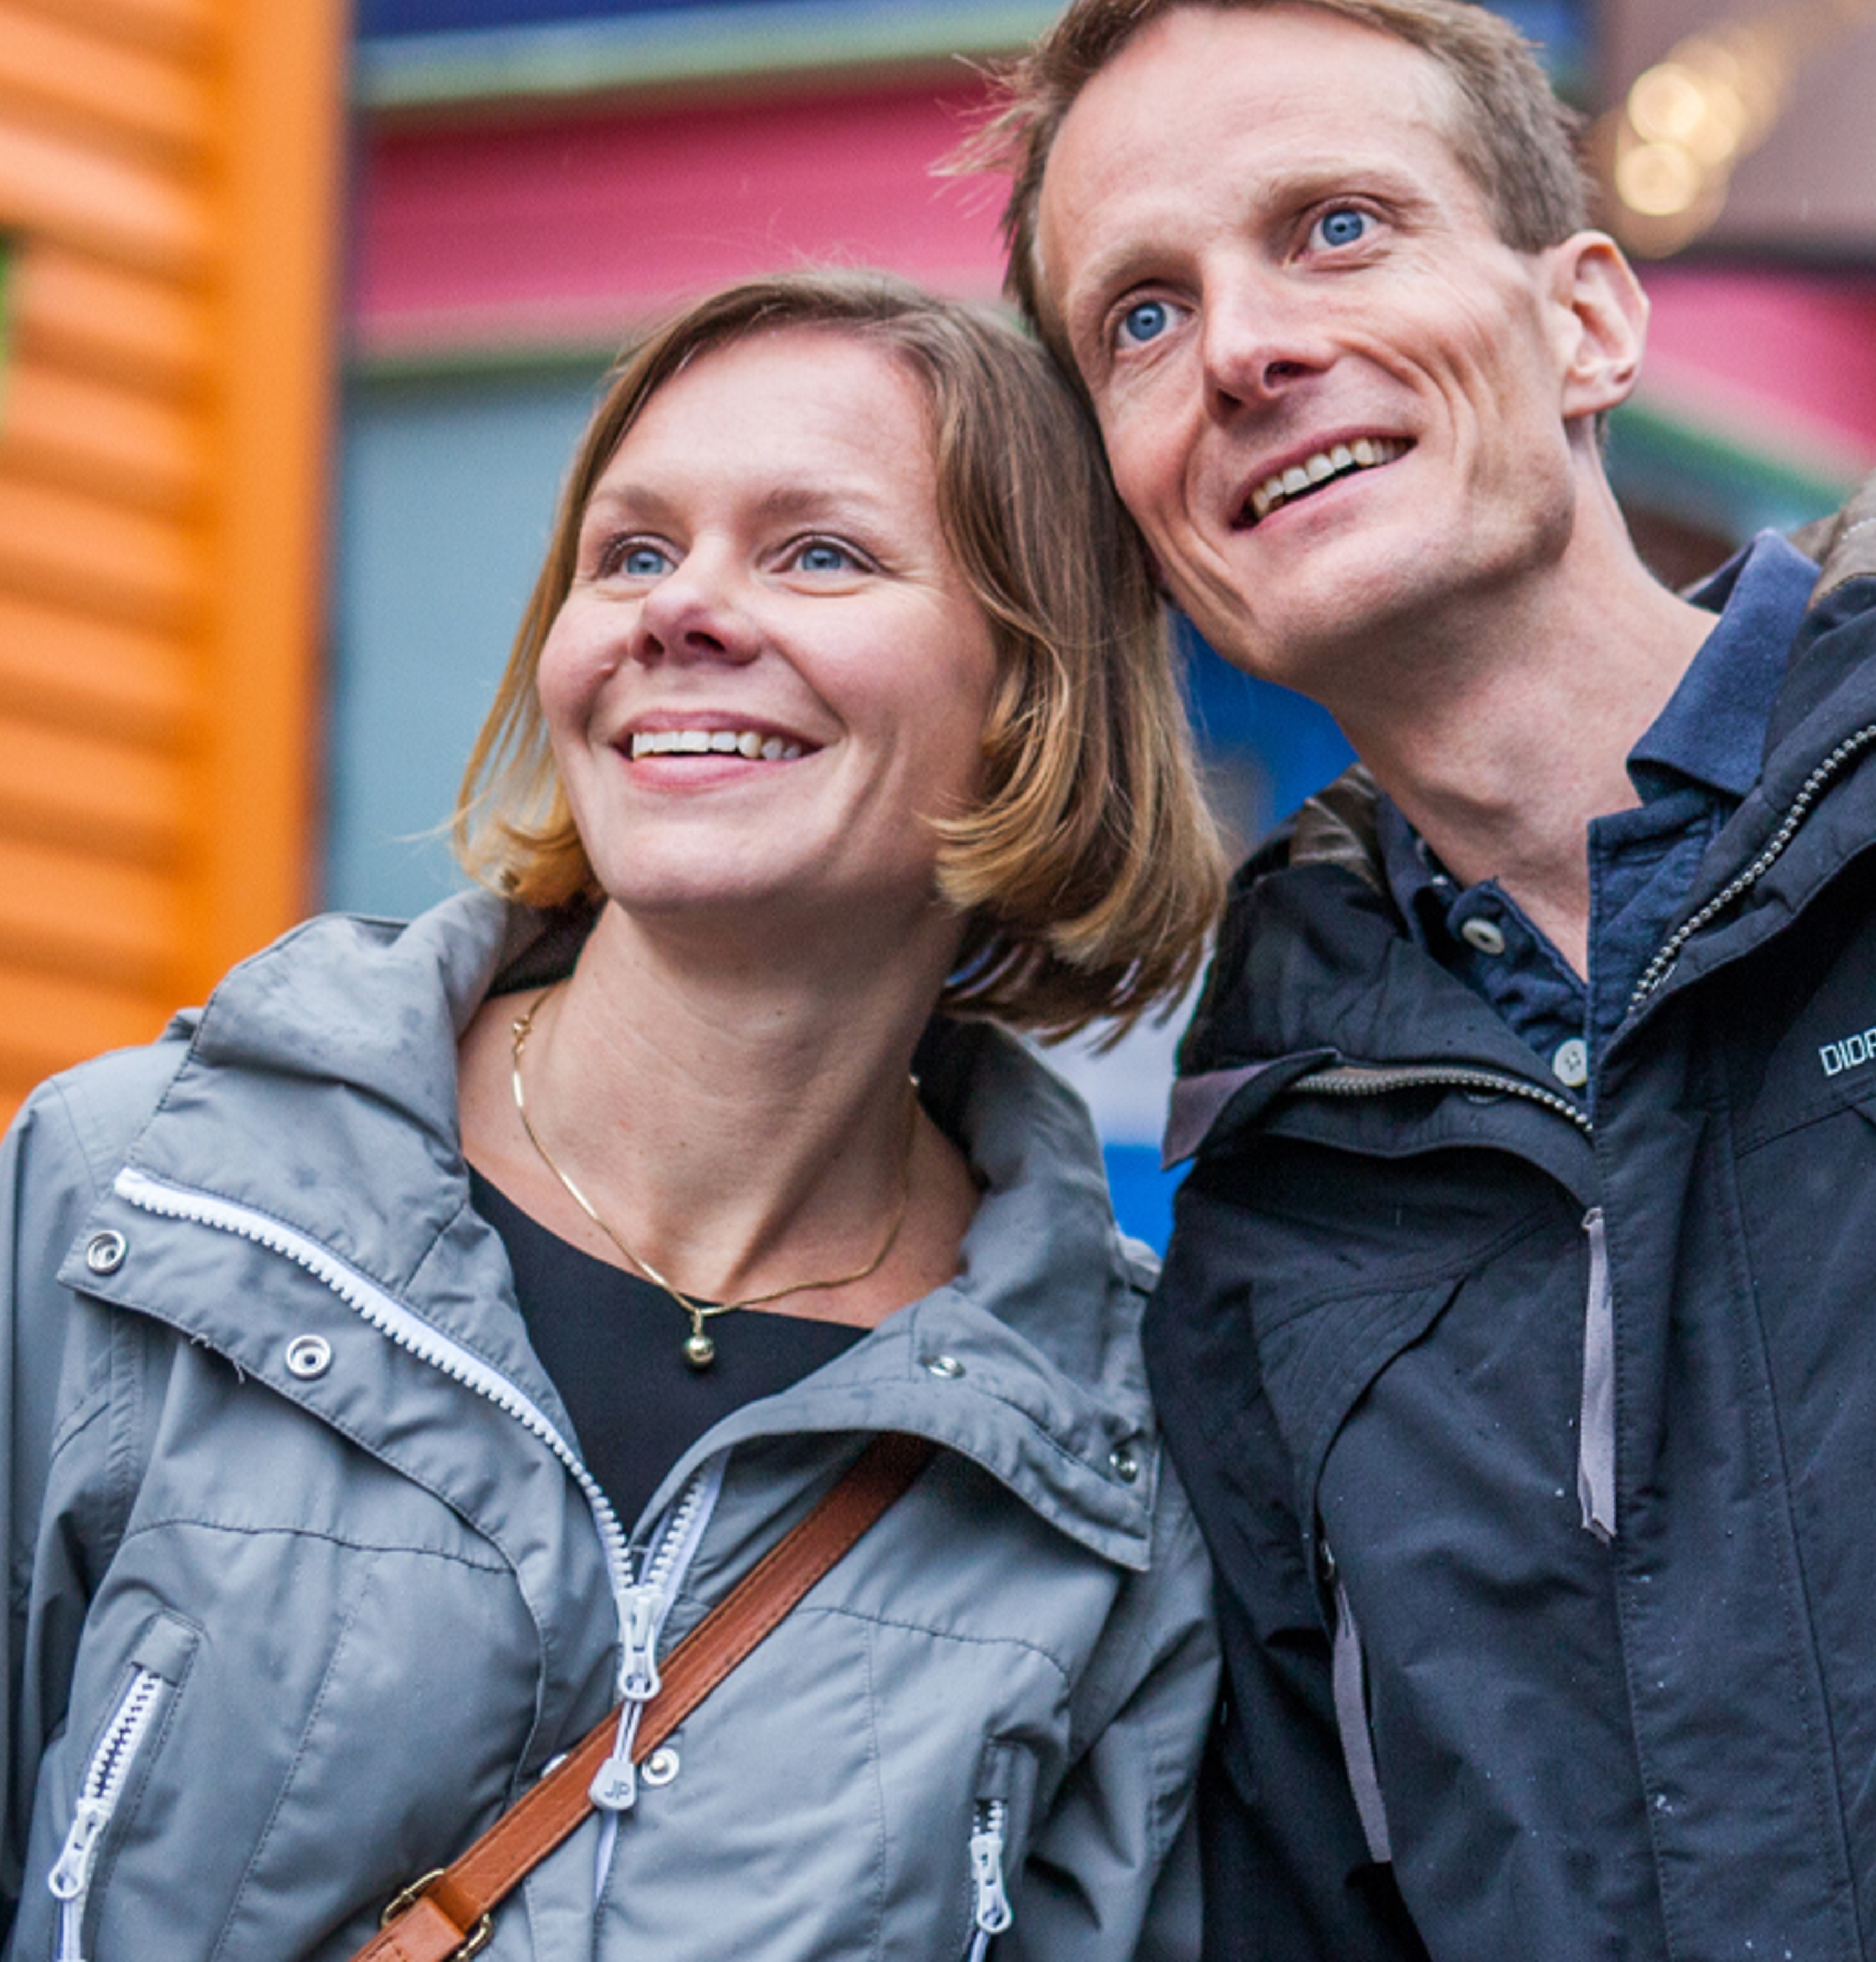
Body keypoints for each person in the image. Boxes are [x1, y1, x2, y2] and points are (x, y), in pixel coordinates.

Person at [968, 0, 1876, 1962]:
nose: (1244, 346)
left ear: (1587, 319)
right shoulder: (1279, 1195)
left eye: (1337, 229)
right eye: (1142, 315)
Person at [0, 269, 1223, 1962]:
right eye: (631, 554)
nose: (684, 612)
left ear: (1034, 697)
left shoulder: (1115, 1449)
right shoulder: (139, 1203)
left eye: (818, 552)